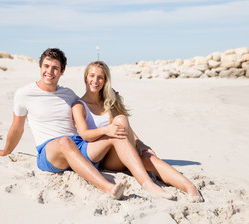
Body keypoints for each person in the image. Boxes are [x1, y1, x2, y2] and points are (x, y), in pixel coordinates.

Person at [0, 48, 172, 200]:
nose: (49, 72)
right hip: (50, 153)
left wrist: (109, 95)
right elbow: (17, 127)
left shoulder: (69, 94)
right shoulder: (24, 94)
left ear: (62, 71)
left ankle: (147, 181)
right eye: (46, 66)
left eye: (55, 68)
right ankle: (108, 188)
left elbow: (89, 104)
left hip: (80, 148)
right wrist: (6, 150)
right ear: (40, 67)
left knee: (113, 132)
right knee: (64, 142)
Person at [71, 61, 204, 202]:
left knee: (147, 157)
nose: (95, 80)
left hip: (120, 151)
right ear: (86, 77)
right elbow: (84, 134)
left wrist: (139, 143)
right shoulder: (79, 105)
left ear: (105, 81)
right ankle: (147, 184)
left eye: (100, 77)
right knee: (119, 123)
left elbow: (125, 128)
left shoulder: (108, 102)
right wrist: (106, 130)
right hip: (101, 157)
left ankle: (189, 187)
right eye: (92, 76)